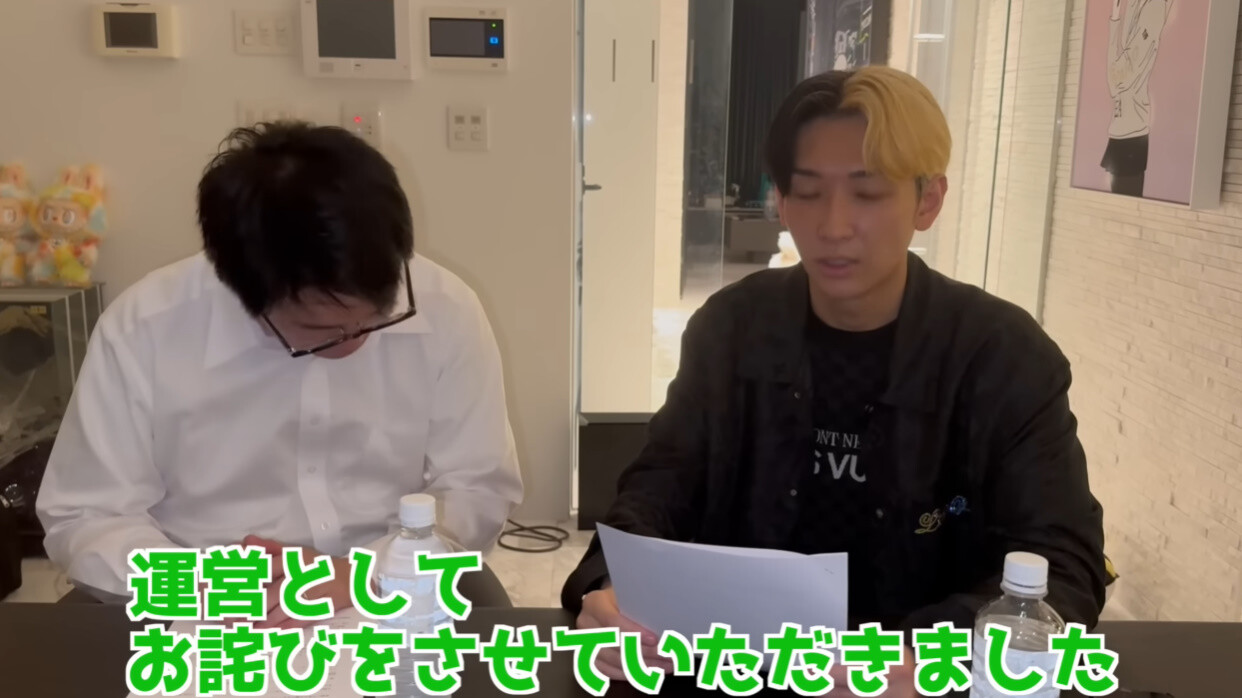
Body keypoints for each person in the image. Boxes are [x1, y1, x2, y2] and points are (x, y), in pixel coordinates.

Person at [564, 66, 1108, 680]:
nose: (833, 226)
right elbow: (659, 487)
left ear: (928, 201)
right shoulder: (733, 328)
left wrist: (928, 661)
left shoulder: (1002, 356)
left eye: (867, 193)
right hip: (741, 671)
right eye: (808, 192)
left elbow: (1064, 565)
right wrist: (612, 585)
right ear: (781, 200)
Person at [36, 122, 523, 621]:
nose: (357, 341)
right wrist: (201, 584)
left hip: (391, 576)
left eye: (379, 316)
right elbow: (87, 515)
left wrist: (369, 573)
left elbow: (477, 486)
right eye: (322, 330)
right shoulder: (146, 328)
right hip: (206, 590)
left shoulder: (446, 308)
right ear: (242, 291)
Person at [1102, 0, 1171, 197]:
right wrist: (1115, 20)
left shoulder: (1154, 7)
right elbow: (1115, 81)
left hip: (1131, 136)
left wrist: (1115, 24)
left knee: (1125, 203)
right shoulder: (1135, 4)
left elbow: (1118, 77)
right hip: (1120, 133)